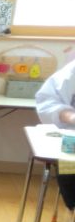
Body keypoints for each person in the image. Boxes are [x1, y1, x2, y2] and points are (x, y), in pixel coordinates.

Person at [35, 58, 75, 210]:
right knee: (68, 172)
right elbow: (48, 100)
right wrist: (69, 116)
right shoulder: (71, 72)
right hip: (72, 142)